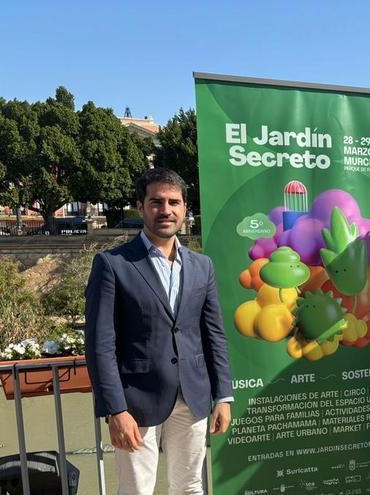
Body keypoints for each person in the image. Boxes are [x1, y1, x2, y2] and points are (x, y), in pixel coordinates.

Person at [85, 167, 233, 495]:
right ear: (140, 207)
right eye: (156, 202)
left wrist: (223, 395)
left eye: (174, 202)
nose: (165, 210)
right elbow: (100, 345)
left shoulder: (202, 266)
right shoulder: (113, 264)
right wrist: (115, 409)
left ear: (184, 209)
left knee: (190, 486)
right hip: (136, 402)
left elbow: (214, 334)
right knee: (137, 489)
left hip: (193, 397)